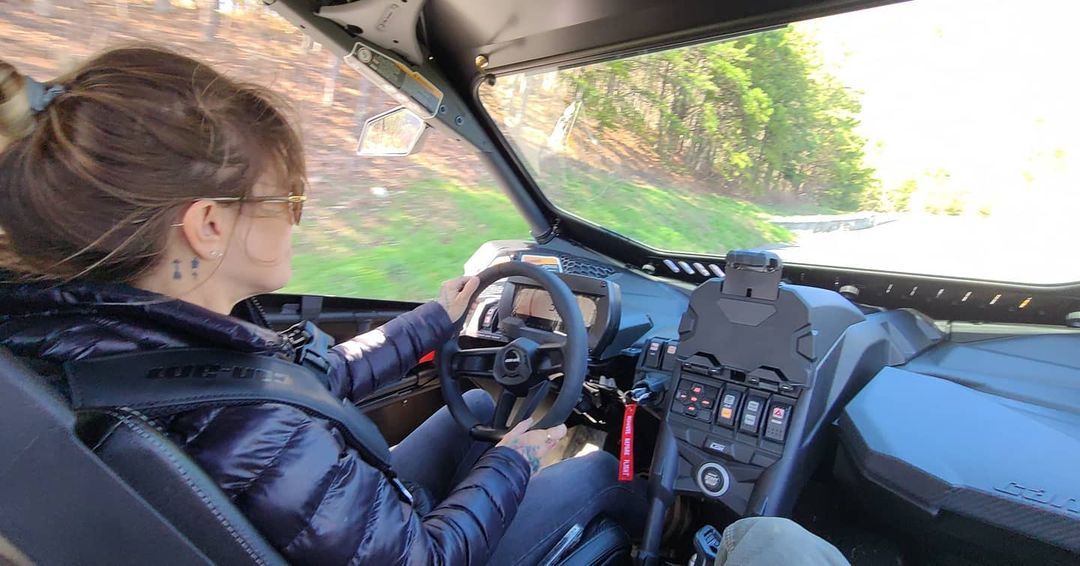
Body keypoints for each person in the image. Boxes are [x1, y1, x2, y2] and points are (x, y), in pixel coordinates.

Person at [0, 46, 646, 565]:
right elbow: (422, 555)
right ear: (209, 226)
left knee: (478, 405)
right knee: (610, 479)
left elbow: (296, 385)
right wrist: (516, 460)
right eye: (288, 201)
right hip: (405, 545)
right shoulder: (247, 426)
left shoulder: (102, 342)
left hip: (349, 525)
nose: (297, 222)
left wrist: (434, 319)